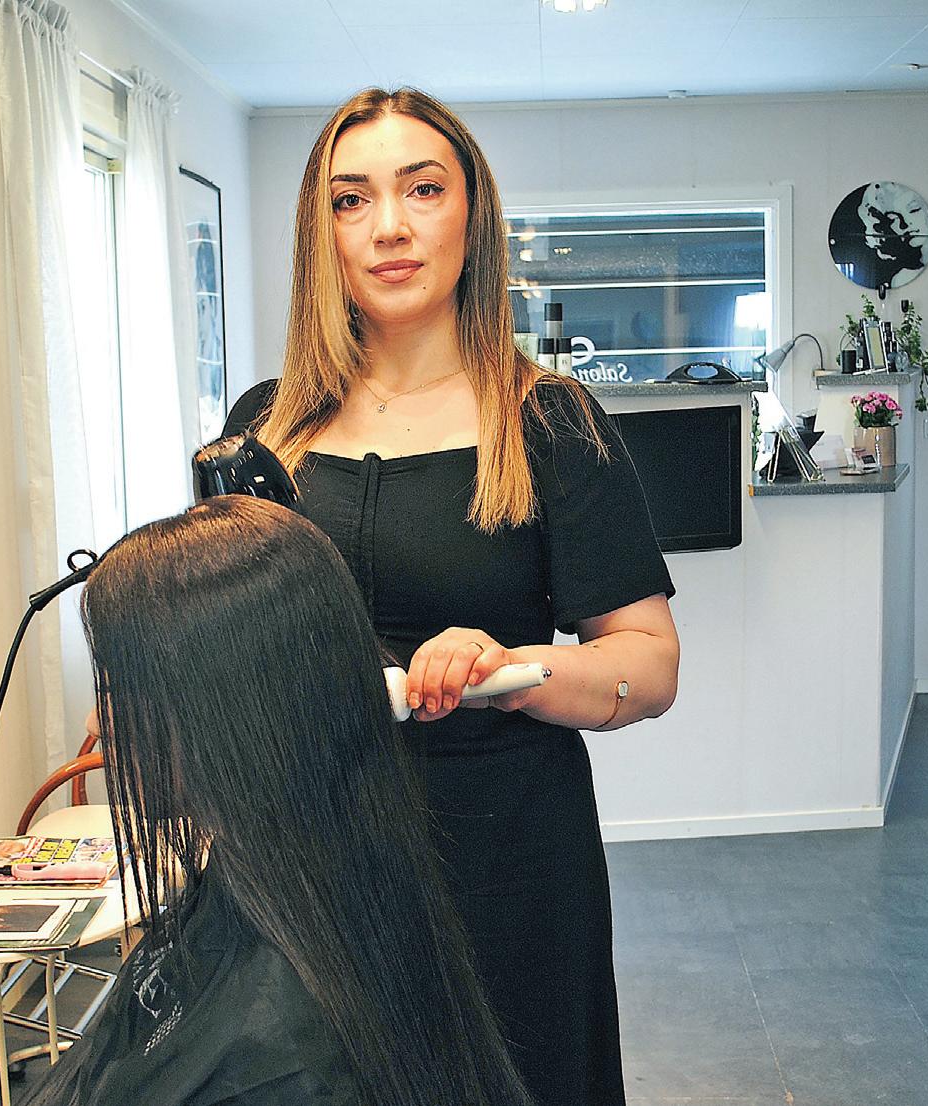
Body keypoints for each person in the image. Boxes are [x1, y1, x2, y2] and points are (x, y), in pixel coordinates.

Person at [223, 86, 681, 1106]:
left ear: (472, 216)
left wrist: (511, 669)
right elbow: (225, 630)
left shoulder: (548, 421)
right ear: (321, 234)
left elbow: (649, 664)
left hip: (506, 857)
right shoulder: (265, 424)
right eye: (351, 200)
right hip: (310, 860)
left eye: (421, 189)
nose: (387, 226)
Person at [23, 495, 530, 1106]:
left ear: (226, 706)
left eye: (116, 690)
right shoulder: (287, 888)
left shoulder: (288, 1055)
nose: (95, 722)